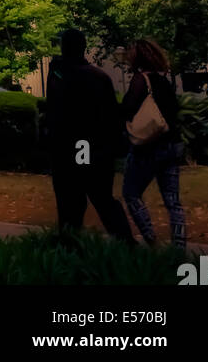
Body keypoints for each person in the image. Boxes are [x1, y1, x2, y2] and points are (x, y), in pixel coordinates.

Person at [45, 28, 133, 242]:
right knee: (101, 197)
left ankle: (69, 242)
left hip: (72, 147)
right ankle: (125, 242)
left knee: (70, 199)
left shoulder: (60, 74)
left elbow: (55, 112)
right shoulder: (98, 77)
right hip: (94, 147)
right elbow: (112, 116)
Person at [121, 39, 186, 250]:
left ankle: (152, 240)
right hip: (172, 146)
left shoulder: (141, 80)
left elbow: (127, 108)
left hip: (148, 148)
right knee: (173, 202)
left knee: (131, 193)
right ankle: (179, 248)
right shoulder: (164, 81)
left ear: (138, 57)